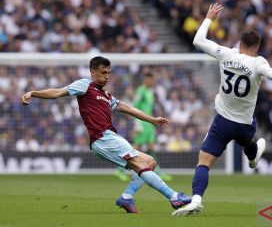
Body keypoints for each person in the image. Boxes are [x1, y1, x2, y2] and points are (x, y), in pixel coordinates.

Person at [172, 4, 272, 216]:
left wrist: (208, 18)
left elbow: (198, 41)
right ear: (257, 47)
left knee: (204, 162)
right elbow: (269, 72)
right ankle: (253, 155)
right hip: (245, 125)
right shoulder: (258, 62)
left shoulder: (226, 54)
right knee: (248, 141)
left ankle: (196, 200)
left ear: (240, 44)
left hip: (222, 122)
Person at [21, 56, 191, 214]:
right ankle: (174, 197)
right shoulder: (84, 85)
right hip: (102, 138)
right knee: (140, 164)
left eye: (109, 73)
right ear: (93, 72)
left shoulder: (107, 95)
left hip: (109, 137)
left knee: (150, 162)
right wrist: (33, 93)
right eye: (103, 72)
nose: (107, 76)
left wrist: (152, 119)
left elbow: (128, 108)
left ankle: (126, 198)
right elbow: (58, 92)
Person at [114, 72, 172, 181]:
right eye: (151, 79)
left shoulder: (150, 92)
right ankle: (119, 169)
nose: (153, 81)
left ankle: (158, 171)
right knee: (136, 147)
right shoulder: (141, 91)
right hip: (142, 124)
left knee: (150, 147)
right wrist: (137, 123)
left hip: (149, 124)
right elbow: (134, 106)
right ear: (146, 80)